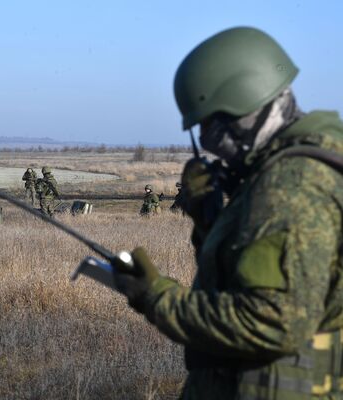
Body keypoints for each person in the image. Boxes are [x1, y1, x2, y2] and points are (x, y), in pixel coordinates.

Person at [112, 27, 343, 399]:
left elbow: (270, 322)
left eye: (211, 124)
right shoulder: (292, 166)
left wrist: (156, 296)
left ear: (245, 106)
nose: (206, 141)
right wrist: (211, 221)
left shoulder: (291, 187)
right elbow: (250, 274)